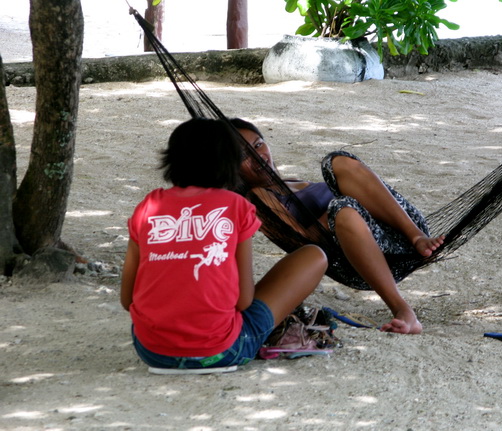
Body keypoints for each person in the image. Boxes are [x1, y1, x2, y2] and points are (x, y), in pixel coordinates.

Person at [120, 118, 327, 374]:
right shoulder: (235, 206)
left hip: (152, 352)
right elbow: (243, 301)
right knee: (314, 256)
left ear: (171, 159)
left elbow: (127, 299)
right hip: (223, 351)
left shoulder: (148, 207)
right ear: (231, 164)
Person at [230, 118, 445, 335]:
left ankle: (416, 235)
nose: (258, 156)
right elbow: (307, 243)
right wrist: (337, 211)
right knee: (342, 207)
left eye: (258, 144)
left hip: (399, 232)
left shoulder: (289, 182)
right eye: (244, 156)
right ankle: (403, 309)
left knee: (336, 161)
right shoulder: (259, 197)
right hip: (361, 258)